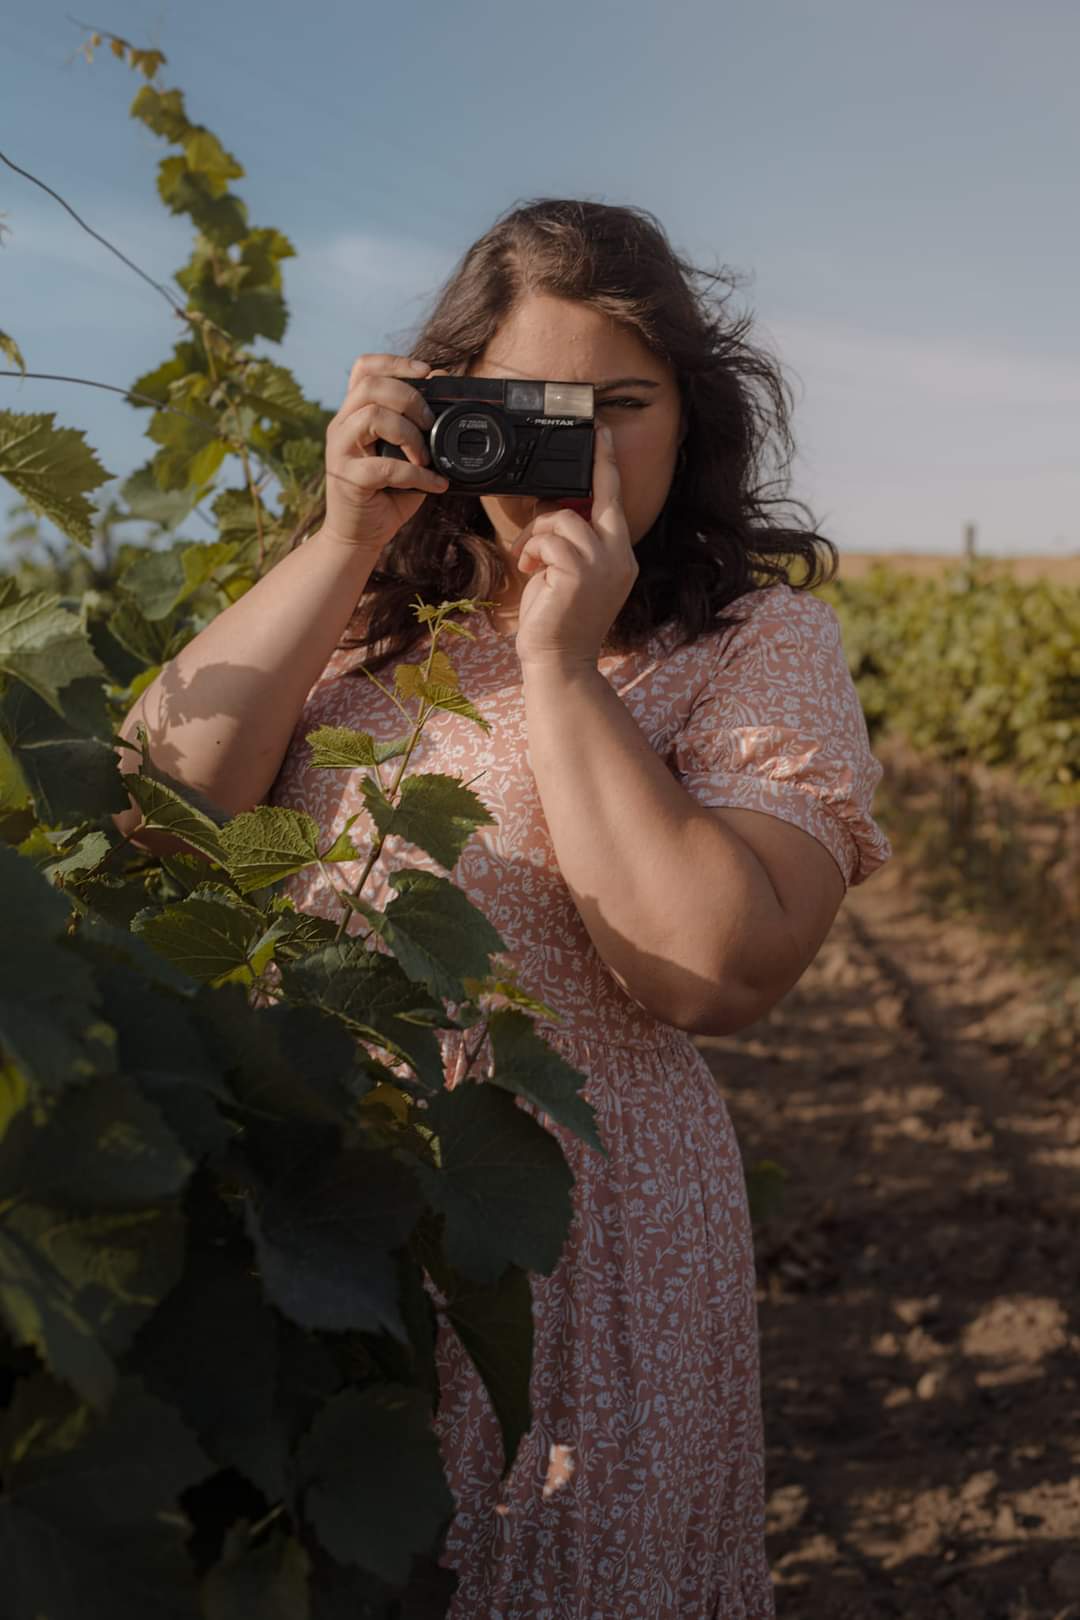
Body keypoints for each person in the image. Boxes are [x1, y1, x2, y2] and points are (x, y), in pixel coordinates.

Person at [118, 198, 891, 1619]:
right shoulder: (365, 615)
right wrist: (347, 531)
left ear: (694, 413)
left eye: (622, 404)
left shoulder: (754, 640)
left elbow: (717, 968)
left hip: (588, 1242)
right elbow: (149, 811)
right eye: (528, 409)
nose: (580, 452)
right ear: (445, 406)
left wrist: (562, 664)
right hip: (331, 1211)